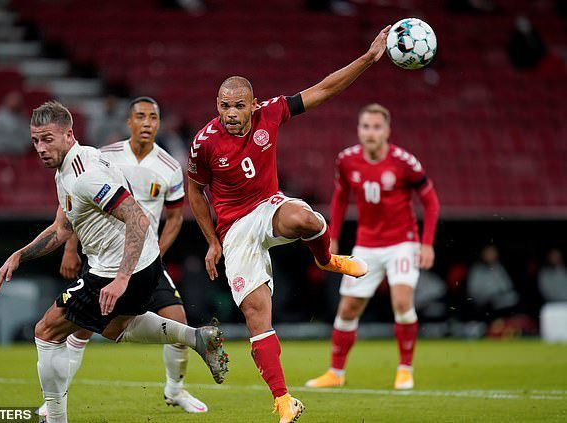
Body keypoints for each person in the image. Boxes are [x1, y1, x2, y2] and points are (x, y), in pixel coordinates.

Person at [187, 27, 390, 422]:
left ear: (252, 104)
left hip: (268, 207)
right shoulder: (204, 142)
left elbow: (325, 88)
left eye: (238, 106)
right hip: (234, 231)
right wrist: (212, 241)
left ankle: (327, 259)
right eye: (224, 106)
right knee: (257, 317)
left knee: (307, 219)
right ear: (217, 104)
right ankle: (283, 400)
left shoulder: (273, 112)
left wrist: (368, 58)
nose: (230, 114)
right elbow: (195, 192)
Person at [0, 101, 228, 423]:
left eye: (47, 139)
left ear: (68, 134)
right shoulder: (75, 163)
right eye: (35, 140)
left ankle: (55, 417)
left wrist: (120, 279)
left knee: (46, 330)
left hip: (118, 268)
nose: (40, 148)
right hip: (136, 264)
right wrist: (20, 254)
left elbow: (139, 219)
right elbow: (63, 228)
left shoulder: (86, 176)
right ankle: (195, 338)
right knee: (117, 327)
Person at [37, 96, 208, 417]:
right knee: (82, 328)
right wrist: (71, 248)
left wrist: (155, 256)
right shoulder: (105, 156)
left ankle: (175, 389)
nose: (146, 123)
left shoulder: (171, 167)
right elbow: (76, 201)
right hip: (105, 259)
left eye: (153, 118)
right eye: (140, 117)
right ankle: (54, 400)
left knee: (177, 320)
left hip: (143, 259)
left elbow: (173, 219)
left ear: (158, 124)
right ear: (128, 122)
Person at [305, 103, 441, 391]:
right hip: (366, 245)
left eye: (377, 127)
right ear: (359, 129)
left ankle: (405, 369)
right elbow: (340, 198)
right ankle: (335, 373)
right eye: (366, 126)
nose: (370, 132)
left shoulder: (405, 162)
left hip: (402, 243)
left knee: (402, 302)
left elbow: (431, 201)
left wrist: (426, 243)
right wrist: (334, 235)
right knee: (348, 309)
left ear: (387, 131)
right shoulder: (346, 160)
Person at [467, 245, 519, 320]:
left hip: (501, 302)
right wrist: (489, 295)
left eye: (493, 253)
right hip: (484, 304)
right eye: (489, 253)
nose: (492, 255)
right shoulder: (477, 270)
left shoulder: (498, 267)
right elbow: (472, 292)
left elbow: (507, 285)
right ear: (483, 254)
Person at [0, 91, 30, 155]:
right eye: (13, 100)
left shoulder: (22, 115)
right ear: (7, 101)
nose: (16, 102)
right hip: (1, 152)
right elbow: (9, 135)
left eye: (18, 101)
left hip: (19, 152)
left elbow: (28, 134)